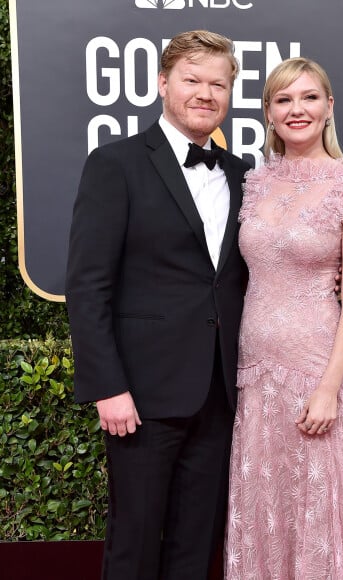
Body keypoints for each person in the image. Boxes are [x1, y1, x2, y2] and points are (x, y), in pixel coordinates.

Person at [65, 30, 251, 580]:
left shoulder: (243, 175)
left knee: (196, 548)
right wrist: (107, 386)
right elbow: (88, 285)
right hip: (141, 395)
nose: (205, 93)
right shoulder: (116, 164)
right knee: (135, 542)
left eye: (218, 83)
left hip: (219, 393)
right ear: (163, 83)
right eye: (192, 80)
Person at [225, 57, 343, 578]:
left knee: (324, 505)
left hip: (315, 370)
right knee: (266, 507)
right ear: (269, 113)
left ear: (329, 107)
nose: (297, 109)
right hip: (253, 374)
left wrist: (329, 386)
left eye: (309, 97)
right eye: (284, 99)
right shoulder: (252, 183)